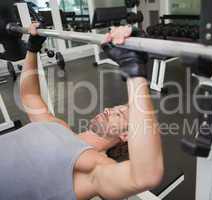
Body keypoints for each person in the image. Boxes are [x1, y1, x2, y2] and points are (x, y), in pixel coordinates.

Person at [0, 23, 164, 200]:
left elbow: (146, 175)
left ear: (126, 135)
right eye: (114, 108)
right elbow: (30, 96)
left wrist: (134, 71)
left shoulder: (94, 168)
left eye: (120, 114)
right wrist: (32, 48)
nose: (109, 110)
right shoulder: (58, 126)